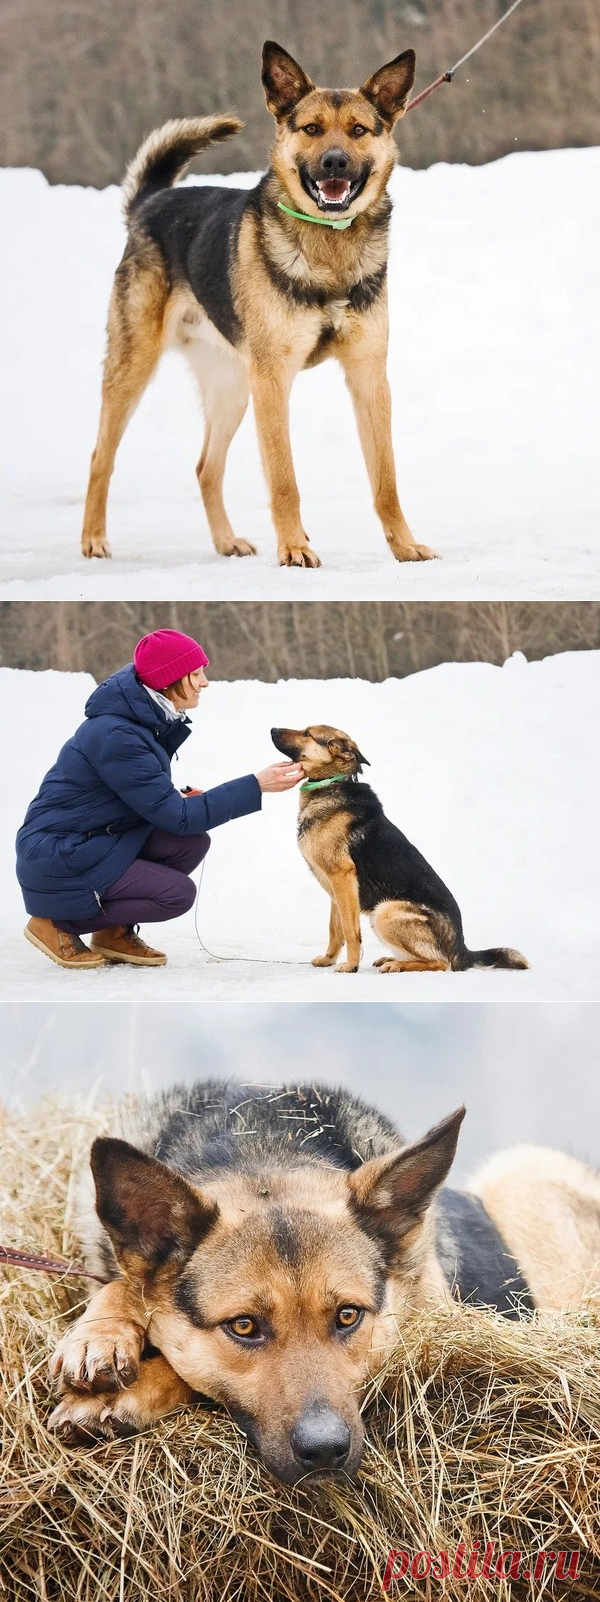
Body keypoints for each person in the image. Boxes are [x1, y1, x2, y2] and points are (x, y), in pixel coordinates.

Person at [16, 629, 303, 969]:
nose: (205, 682)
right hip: (61, 853)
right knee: (176, 895)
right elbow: (177, 817)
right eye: (196, 674)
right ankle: (56, 922)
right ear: (168, 680)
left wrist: (181, 799)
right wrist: (255, 785)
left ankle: (111, 931)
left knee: (189, 843)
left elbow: (150, 802)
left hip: (94, 839)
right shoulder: (117, 735)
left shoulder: (139, 722)